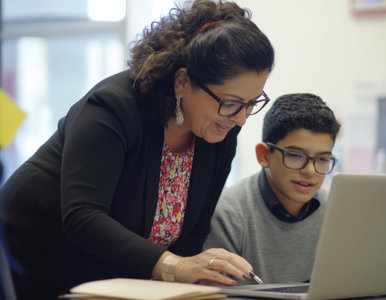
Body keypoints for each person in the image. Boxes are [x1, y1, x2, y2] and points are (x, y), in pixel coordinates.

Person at [0, 0, 274, 299]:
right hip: (31, 259)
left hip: (109, 280)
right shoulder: (114, 107)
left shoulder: (218, 132)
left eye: (252, 103)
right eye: (231, 103)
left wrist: (194, 275)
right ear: (183, 81)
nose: (241, 118)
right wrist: (174, 266)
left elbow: (194, 232)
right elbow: (83, 216)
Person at [203, 93, 341, 284]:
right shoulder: (228, 214)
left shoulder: (337, 213)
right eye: (295, 156)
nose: (310, 170)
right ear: (264, 155)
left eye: (323, 159)